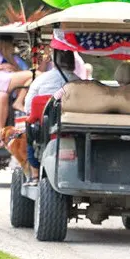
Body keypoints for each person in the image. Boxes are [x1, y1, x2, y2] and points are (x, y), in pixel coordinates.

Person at [22, 48, 82, 180]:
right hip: (74, 129)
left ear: (55, 61)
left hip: (45, 130)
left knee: (29, 131)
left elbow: (28, 108)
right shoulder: (80, 82)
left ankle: (35, 175)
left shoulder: (40, 80)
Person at [0, 31, 31, 136]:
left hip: (12, 89)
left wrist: (14, 69)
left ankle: (19, 101)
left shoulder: (16, 59)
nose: (13, 47)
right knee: (2, 96)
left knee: (32, 77)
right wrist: (1, 66)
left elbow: (23, 72)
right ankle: (1, 132)